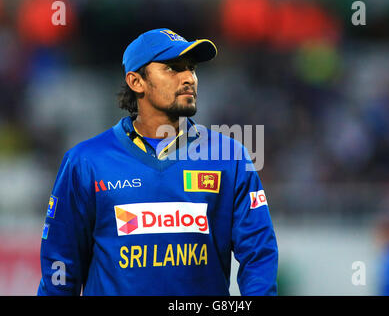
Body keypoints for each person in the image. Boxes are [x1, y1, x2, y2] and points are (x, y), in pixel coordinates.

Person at [37, 28, 278, 296]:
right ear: (136, 81)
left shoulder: (229, 158)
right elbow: (60, 264)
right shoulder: (86, 162)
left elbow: (259, 255)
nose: (189, 78)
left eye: (191, 68)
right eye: (173, 68)